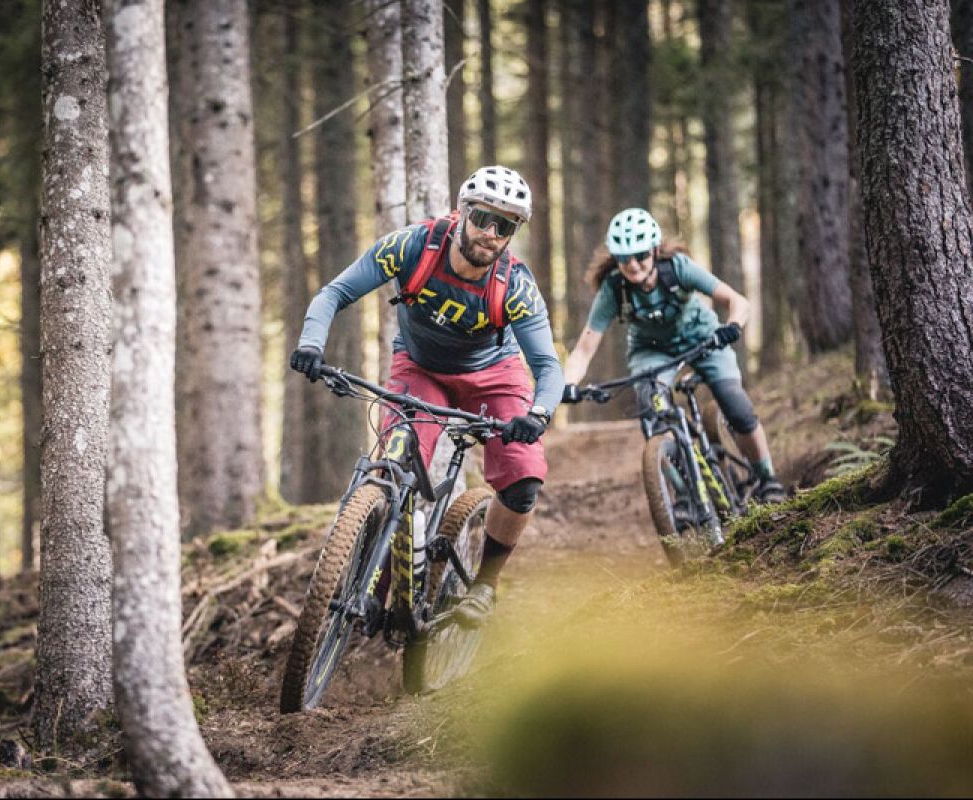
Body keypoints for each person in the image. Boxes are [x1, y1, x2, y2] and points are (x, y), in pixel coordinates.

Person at [289, 165, 563, 628]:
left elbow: (548, 366)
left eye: (506, 226)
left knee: (523, 480)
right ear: (461, 212)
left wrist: (538, 413)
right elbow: (334, 293)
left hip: (493, 376)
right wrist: (311, 344)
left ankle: (485, 587)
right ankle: (377, 585)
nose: (490, 233)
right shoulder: (412, 247)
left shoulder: (514, 285)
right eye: (482, 218)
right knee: (394, 467)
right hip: (420, 369)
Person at [564, 207, 786, 503]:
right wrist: (567, 385)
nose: (632, 265)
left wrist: (732, 326)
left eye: (640, 255)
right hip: (652, 352)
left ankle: (767, 479)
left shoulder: (678, 268)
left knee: (738, 407)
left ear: (655, 250)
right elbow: (583, 350)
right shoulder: (613, 289)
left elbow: (737, 301)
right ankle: (683, 493)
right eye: (623, 258)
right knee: (652, 412)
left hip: (704, 339)